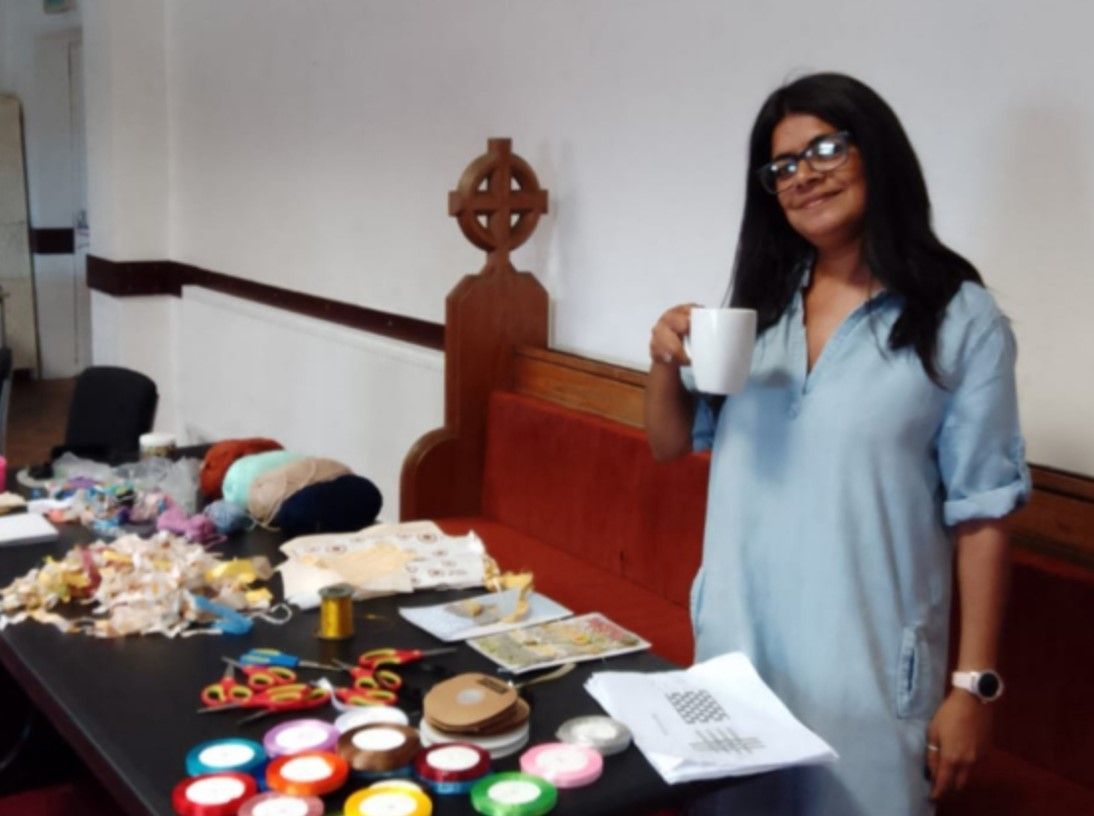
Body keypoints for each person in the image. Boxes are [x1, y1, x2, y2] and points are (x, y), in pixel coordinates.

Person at [646, 72, 1030, 816]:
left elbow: (983, 514)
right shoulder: (761, 309)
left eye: (826, 148)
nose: (803, 175)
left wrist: (973, 687)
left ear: (877, 153)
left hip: (866, 670)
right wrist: (663, 359)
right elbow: (669, 443)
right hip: (736, 652)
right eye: (783, 165)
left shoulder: (958, 318)